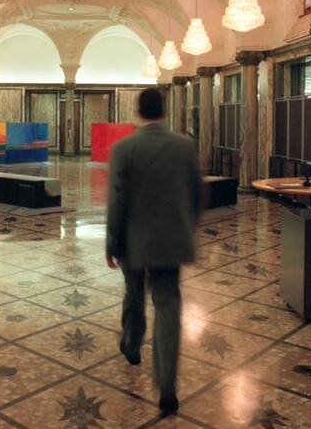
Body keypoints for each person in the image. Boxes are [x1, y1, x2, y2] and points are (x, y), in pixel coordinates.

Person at [105, 86, 202, 417]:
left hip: (133, 241)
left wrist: (112, 244)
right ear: (164, 110)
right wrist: (186, 228)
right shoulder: (184, 146)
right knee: (168, 305)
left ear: (137, 112)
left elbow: (116, 201)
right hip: (171, 241)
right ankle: (167, 385)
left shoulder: (123, 148)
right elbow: (197, 195)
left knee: (133, 294)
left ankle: (131, 345)